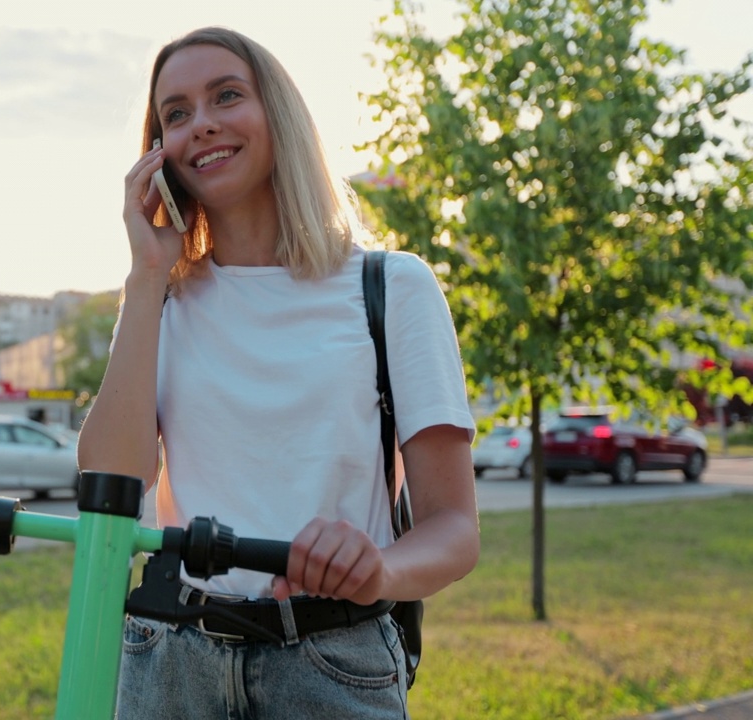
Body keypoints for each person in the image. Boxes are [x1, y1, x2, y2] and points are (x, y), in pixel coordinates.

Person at [75, 27, 480, 718]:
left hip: (330, 664)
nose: (201, 123)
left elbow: (454, 532)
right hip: (169, 660)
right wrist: (145, 278)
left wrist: (379, 569)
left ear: (278, 116)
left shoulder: (392, 288)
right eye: (175, 113)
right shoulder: (159, 300)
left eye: (225, 96)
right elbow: (106, 488)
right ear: (158, 151)